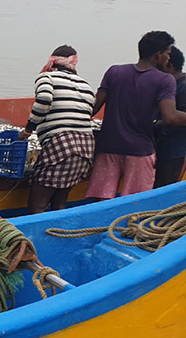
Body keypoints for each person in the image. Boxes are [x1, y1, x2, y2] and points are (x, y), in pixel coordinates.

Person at [86, 31, 186, 200]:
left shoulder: (114, 72)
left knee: (100, 199)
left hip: (107, 148)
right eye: (168, 54)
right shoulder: (164, 80)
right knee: (135, 202)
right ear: (158, 55)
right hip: (139, 151)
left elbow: (93, 108)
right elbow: (170, 117)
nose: (169, 59)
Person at [20, 45, 97, 213]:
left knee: (38, 203)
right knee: (60, 202)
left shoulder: (46, 77)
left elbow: (44, 98)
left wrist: (29, 128)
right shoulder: (85, 84)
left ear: (52, 62)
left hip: (61, 144)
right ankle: (58, 234)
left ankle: (35, 237)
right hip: (86, 146)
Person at [154, 46, 186, 188]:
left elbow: (175, 118)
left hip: (174, 150)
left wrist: (157, 123)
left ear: (170, 65)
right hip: (160, 146)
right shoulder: (168, 84)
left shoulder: (183, 87)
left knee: (163, 187)